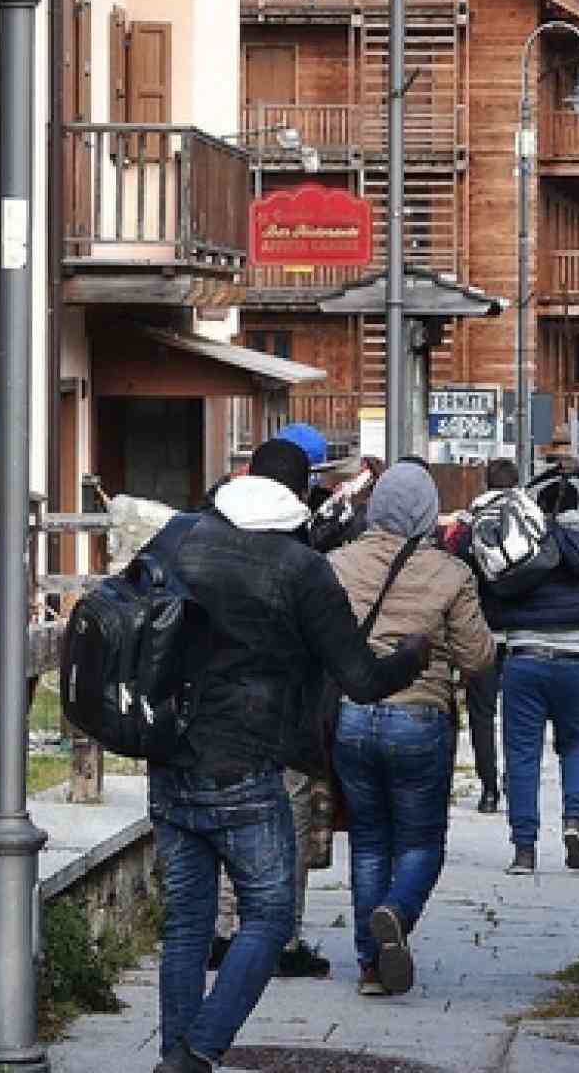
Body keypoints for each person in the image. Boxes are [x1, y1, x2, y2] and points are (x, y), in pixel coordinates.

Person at [151, 438, 429, 1073]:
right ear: (303, 494)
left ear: (244, 478)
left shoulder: (182, 539)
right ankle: (198, 1051)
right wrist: (412, 656)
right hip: (247, 769)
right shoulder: (303, 569)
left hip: (169, 759)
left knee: (188, 923)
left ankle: (174, 1056)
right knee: (271, 916)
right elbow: (361, 679)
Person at [328, 460, 495, 996]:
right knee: (421, 842)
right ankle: (397, 912)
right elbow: (477, 658)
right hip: (419, 717)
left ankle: (371, 967)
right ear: (428, 512)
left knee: (369, 841)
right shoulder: (451, 574)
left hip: (352, 716)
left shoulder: (339, 564)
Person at [207, 424, 355, 980]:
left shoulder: (209, 530)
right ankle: (281, 938)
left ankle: (221, 931)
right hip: (286, 713)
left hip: (216, 714)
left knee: (225, 828)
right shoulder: (301, 547)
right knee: (287, 827)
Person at [473, 464, 579, 875]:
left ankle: (524, 851)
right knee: (576, 745)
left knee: (522, 755)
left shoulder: (523, 545)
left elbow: (495, 600)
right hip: (575, 660)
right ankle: (574, 821)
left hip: (524, 659)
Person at [439, 458, 522, 813]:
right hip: (519, 634)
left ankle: (489, 790)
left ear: (486, 485)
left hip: (481, 633)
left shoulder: (472, 525)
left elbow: (456, 566)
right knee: (519, 718)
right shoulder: (528, 523)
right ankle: (516, 784)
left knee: (482, 714)